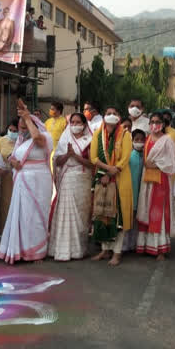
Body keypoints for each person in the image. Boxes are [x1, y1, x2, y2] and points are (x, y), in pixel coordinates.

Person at [0, 100, 53, 264]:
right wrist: (12, 162)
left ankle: (36, 252)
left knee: (36, 217)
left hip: (39, 181)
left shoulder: (45, 136)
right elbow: (13, 157)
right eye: (21, 127)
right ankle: (20, 250)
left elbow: (37, 138)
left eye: (25, 127)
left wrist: (28, 117)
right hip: (22, 181)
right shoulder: (21, 141)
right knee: (21, 216)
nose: (22, 130)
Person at [91, 107, 134, 266]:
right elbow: (93, 157)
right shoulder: (98, 133)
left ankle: (117, 253)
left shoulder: (126, 134)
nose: (111, 116)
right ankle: (104, 250)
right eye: (108, 113)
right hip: (102, 177)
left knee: (118, 216)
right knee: (103, 213)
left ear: (119, 117)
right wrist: (106, 170)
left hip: (120, 178)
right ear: (103, 116)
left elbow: (125, 158)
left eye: (115, 113)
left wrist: (111, 172)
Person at [48, 113, 94, 261]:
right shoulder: (65, 139)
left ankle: (79, 249)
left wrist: (76, 156)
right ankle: (63, 250)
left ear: (84, 124)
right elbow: (58, 162)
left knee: (82, 214)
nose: (75, 125)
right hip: (67, 178)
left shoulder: (90, 140)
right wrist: (68, 155)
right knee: (66, 212)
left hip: (84, 179)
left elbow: (92, 164)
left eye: (78, 122)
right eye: (72, 122)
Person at [136, 113, 175, 260]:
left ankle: (160, 249)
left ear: (163, 124)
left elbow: (173, 163)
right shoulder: (147, 139)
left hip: (160, 180)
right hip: (146, 179)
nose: (154, 124)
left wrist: (155, 165)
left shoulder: (167, 140)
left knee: (158, 213)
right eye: (152, 122)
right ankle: (146, 246)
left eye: (158, 121)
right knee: (146, 210)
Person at [123, 129, 146, 252]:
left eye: (142, 140)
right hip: (130, 192)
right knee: (128, 218)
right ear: (132, 141)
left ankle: (133, 244)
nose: (140, 142)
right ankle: (125, 245)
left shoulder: (145, 156)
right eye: (137, 140)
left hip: (140, 192)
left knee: (136, 219)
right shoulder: (129, 156)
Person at [0, 120, 18, 237]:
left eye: (15, 131)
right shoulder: (2, 141)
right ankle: (3, 234)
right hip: (5, 177)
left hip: (19, 177)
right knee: (5, 205)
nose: (12, 133)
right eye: (11, 130)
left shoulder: (23, 142)